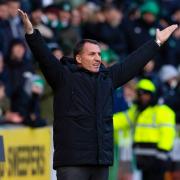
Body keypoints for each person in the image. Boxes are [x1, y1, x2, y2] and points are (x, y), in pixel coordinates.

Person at [18, 8, 178, 180]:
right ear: (78, 58)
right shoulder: (63, 77)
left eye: (99, 54)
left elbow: (133, 62)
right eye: (92, 54)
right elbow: (44, 57)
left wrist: (156, 43)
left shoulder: (107, 78)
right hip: (72, 163)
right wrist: (31, 33)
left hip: (100, 163)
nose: (97, 58)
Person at [113, 79, 176, 180]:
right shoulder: (137, 111)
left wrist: (162, 155)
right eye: (140, 94)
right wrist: (102, 123)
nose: (143, 97)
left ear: (152, 95)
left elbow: (167, 134)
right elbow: (121, 120)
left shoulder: (162, 111)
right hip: (141, 159)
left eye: (146, 94)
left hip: (157, 158)